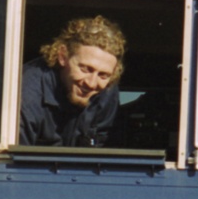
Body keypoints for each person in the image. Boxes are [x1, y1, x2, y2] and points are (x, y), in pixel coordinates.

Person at [19, 15, 126, 147]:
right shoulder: (25, 92)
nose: (91, 83)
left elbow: (105, 153)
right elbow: (12, 163)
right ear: (63, 56)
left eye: (103, 75)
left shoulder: (107, 91)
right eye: (85, 69)